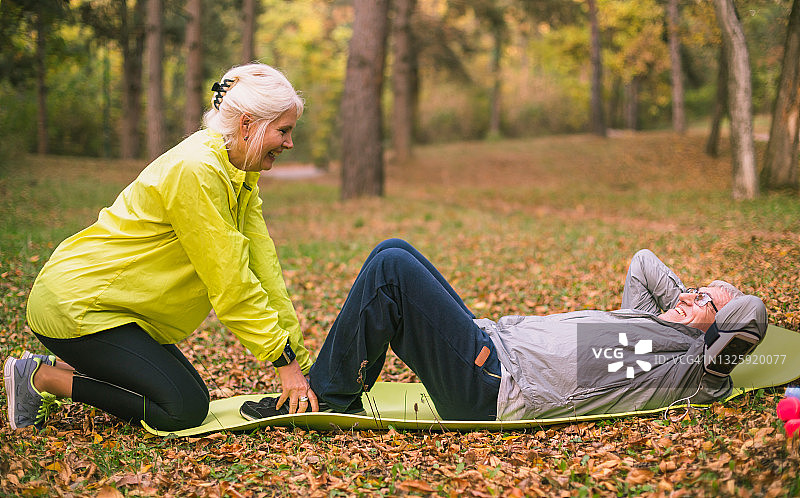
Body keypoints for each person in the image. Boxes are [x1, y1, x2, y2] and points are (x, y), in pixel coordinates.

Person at [4, 63, 320, 432]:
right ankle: (40, 377)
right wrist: (284, 363)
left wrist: (301, 364)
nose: (289, 143)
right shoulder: (197, 170)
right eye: (283, 131)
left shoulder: (238, 173)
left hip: (116, 311)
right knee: (182, 409)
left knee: (188, 396)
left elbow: (262, 267)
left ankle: (55, 368)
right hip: (78, 306)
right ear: (247, 124)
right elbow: (231, 283)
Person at [306, 239, 767, 421]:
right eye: (693, 290)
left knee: (391, 268)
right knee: (393, 249)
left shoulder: (686, 368)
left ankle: (328, 396)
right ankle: (350, 381)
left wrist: (704, 320)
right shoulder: (646, 321)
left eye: (705, 301)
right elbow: (643, 262)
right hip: (491, 345)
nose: (690, 297)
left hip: (493, 385)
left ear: (719, 332)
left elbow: (750, 317)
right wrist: (689, 299)